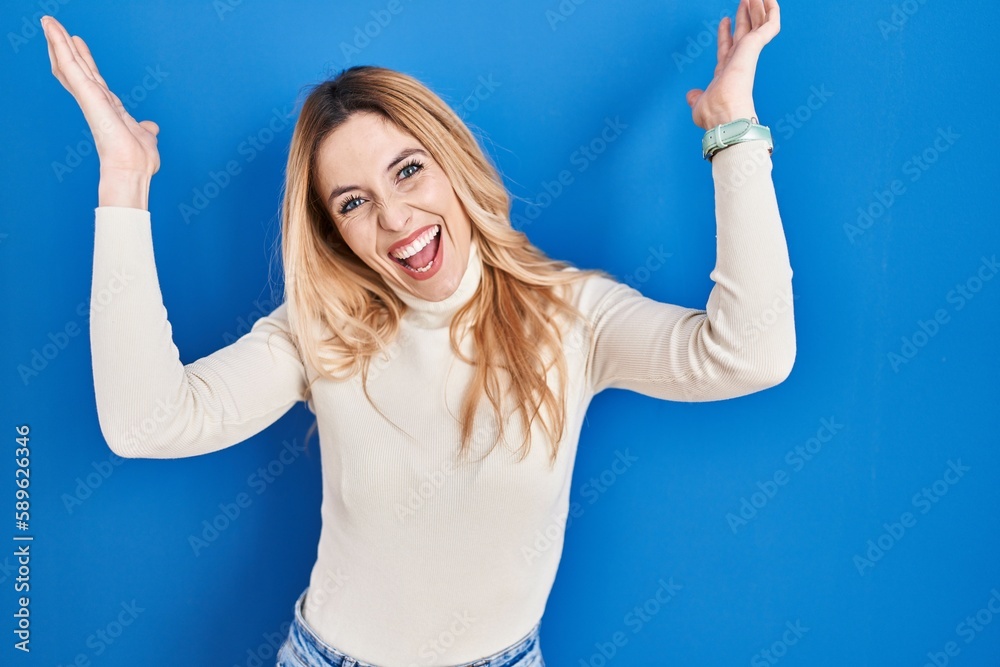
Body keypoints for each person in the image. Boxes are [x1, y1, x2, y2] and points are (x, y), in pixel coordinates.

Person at [42, 0, 791, 665]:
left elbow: (749, 354)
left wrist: (734, 129)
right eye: (353, 202)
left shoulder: (574, 315)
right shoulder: (322, 331)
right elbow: (146, 422)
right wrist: (124, 181)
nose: (395, 220)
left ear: (452, 163)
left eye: (407, 171)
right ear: (335, 234)